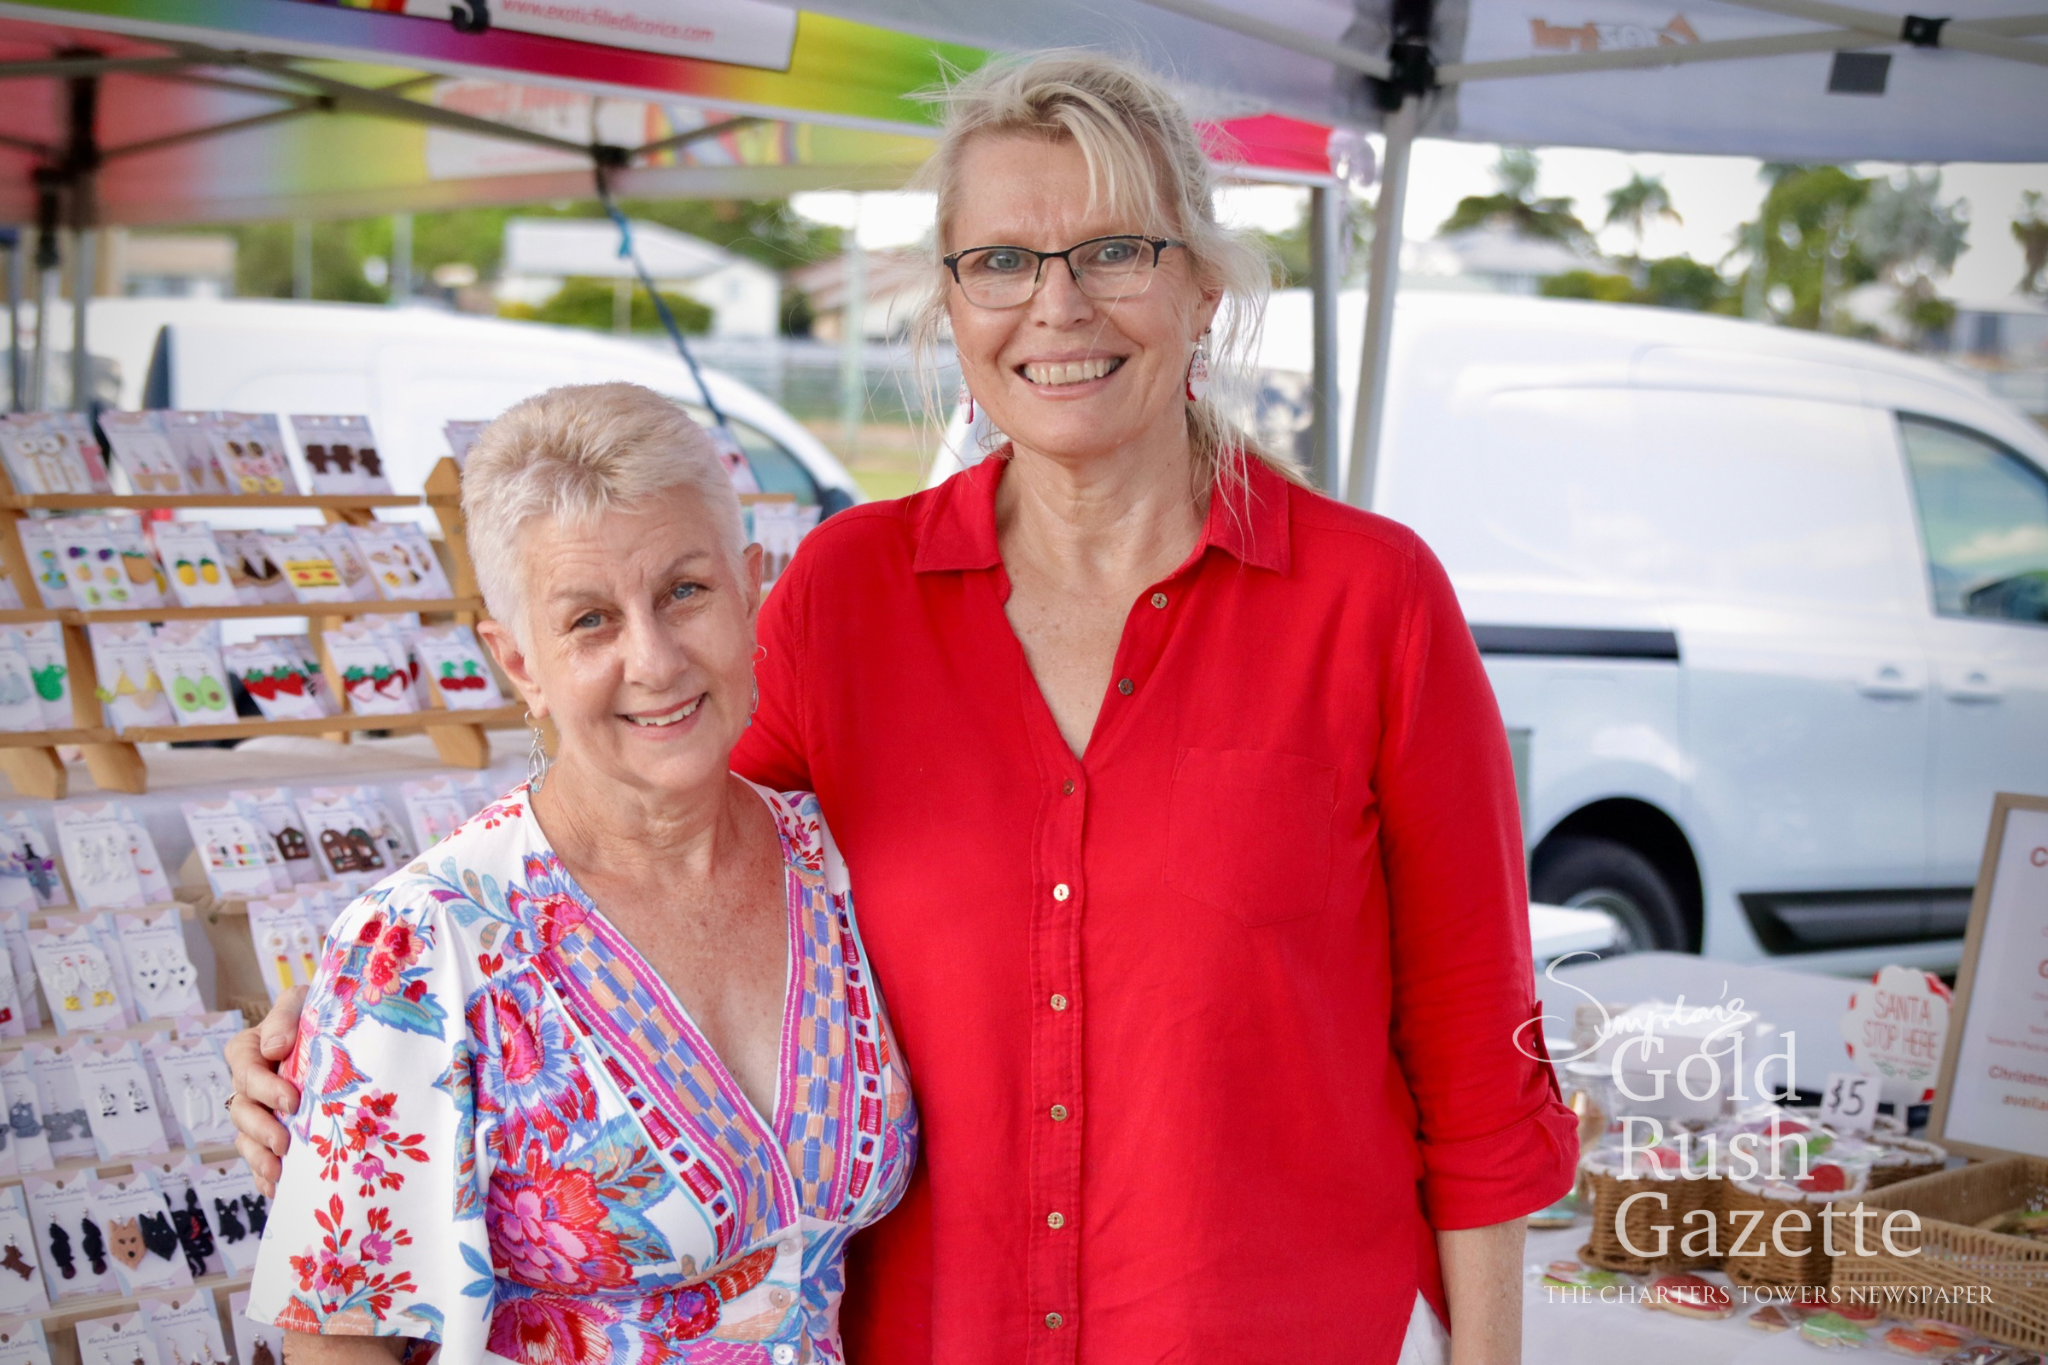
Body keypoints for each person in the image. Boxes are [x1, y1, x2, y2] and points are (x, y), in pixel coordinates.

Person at [233, 51, 1574, 1364]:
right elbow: (649, 843)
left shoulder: (1370, 604)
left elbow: (1477, 1072)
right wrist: (362, 1022)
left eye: (1117, 250)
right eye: (1001, 261)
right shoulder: (849, 592)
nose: (1058, 307)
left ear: (1205, 288)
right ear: (949, 301)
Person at [241, 385, 918, 1363]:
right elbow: (341, 1344)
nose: (651, 659)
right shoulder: (423, 942)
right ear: (518, 662)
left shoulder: (834, 866)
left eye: (685, 591)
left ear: (750, 591)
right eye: (590, 620)